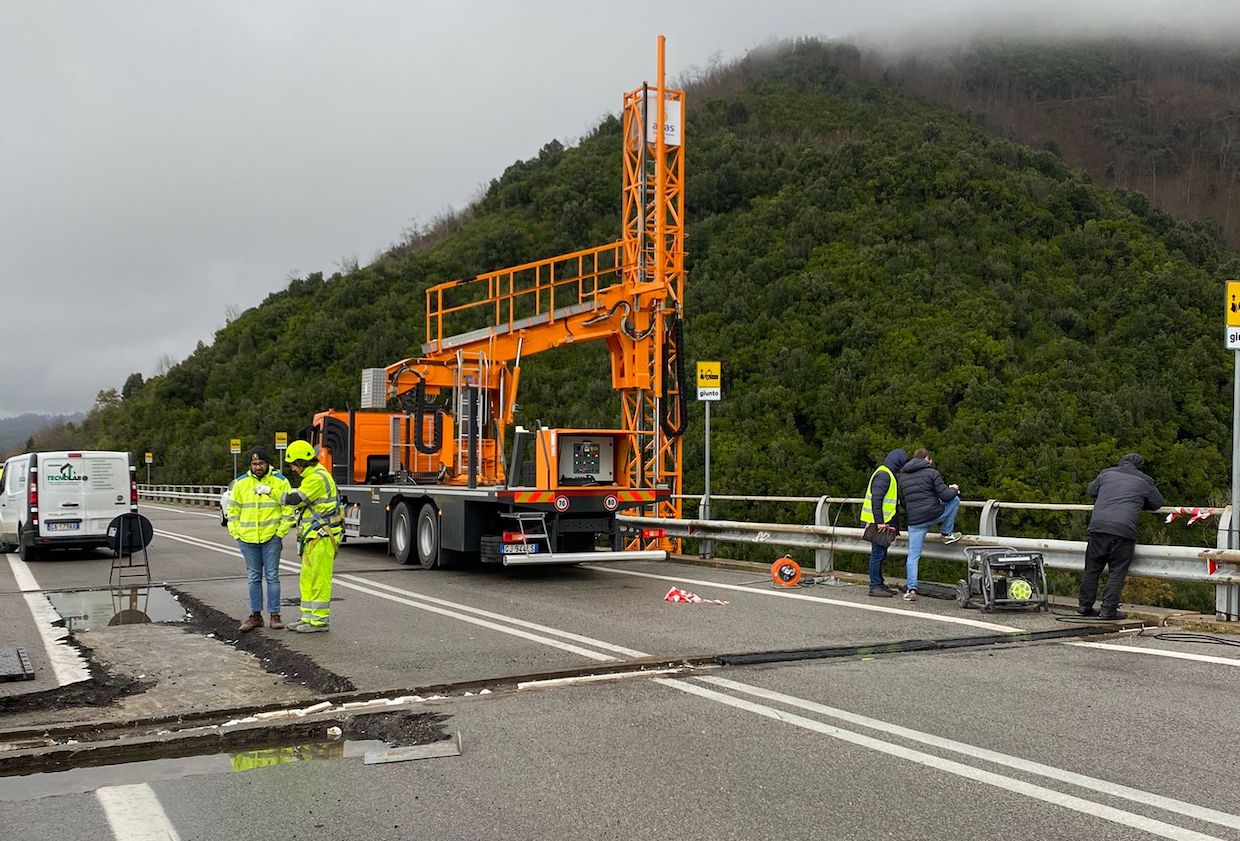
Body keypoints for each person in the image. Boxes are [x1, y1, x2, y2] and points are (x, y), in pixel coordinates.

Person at [1079, 453, 1163, 620]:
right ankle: (1108, 610)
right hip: (1123, 530)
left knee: (1092, 569)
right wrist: (1138, 500)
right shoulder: (1145, 480)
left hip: (1098, 527)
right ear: (1140, 466)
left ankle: (1085, 606)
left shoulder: (1106, 473)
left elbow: (1091, 490)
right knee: (1117, 571)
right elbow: (1157, 503)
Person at [226, 446, 292, 632]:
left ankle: (275, 615)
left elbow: (289, 509)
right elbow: (232, 510)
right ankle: (255, 615)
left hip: (271, 536)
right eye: (254, 464)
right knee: (253, 577)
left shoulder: (280, 481)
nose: (257, 467)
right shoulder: (241, 483)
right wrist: (236, 532)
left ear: (267, 463)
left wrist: (280, 532)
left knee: (272, 576)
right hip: (247, 538)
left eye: (261, 463)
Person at [281, 440, 343, 633]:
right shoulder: (311, 478)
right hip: (314, 536)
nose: (292, 469)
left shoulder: (316, 478)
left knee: (319, 578)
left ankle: (319, 621)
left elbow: (294, 500)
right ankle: (308, 617)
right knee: (308, 578)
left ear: (301, 462)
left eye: (292, 464)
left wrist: (271, 491)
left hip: (322, 536)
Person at [899, 449, 962, 602]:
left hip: (915, 521)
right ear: (927, 459)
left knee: (913, 556)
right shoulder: (932, 473)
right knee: (954, 501)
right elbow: (945, 496)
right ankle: (947, 533)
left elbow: (903, 501)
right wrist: (953, 489)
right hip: (933, 514)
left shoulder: (903, 476)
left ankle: (911, 589)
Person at [861, 448, 907, 597]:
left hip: (882, 521)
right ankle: (875, 586)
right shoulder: (884, 475)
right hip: (879, 523)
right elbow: (877, 499)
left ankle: (879, 583)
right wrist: (880, 521)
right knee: (877, 554)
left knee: (880, 554)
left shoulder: (886, 473)